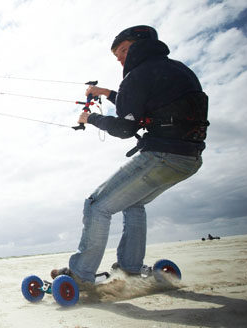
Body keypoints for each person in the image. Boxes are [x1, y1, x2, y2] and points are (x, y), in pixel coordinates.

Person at [54, 25, 208, 285]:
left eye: (124, 50)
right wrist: (105, 93)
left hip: (162, 154)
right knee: (133, 203)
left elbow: (126, 127)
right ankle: (130, 269)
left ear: (141, 43)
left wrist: (91, 118)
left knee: (96, 206)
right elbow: (145, 104)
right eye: (117, 56)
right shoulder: (178, 69)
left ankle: (81, 275)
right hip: (189, 158)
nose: (121, 59)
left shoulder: (137, 75)